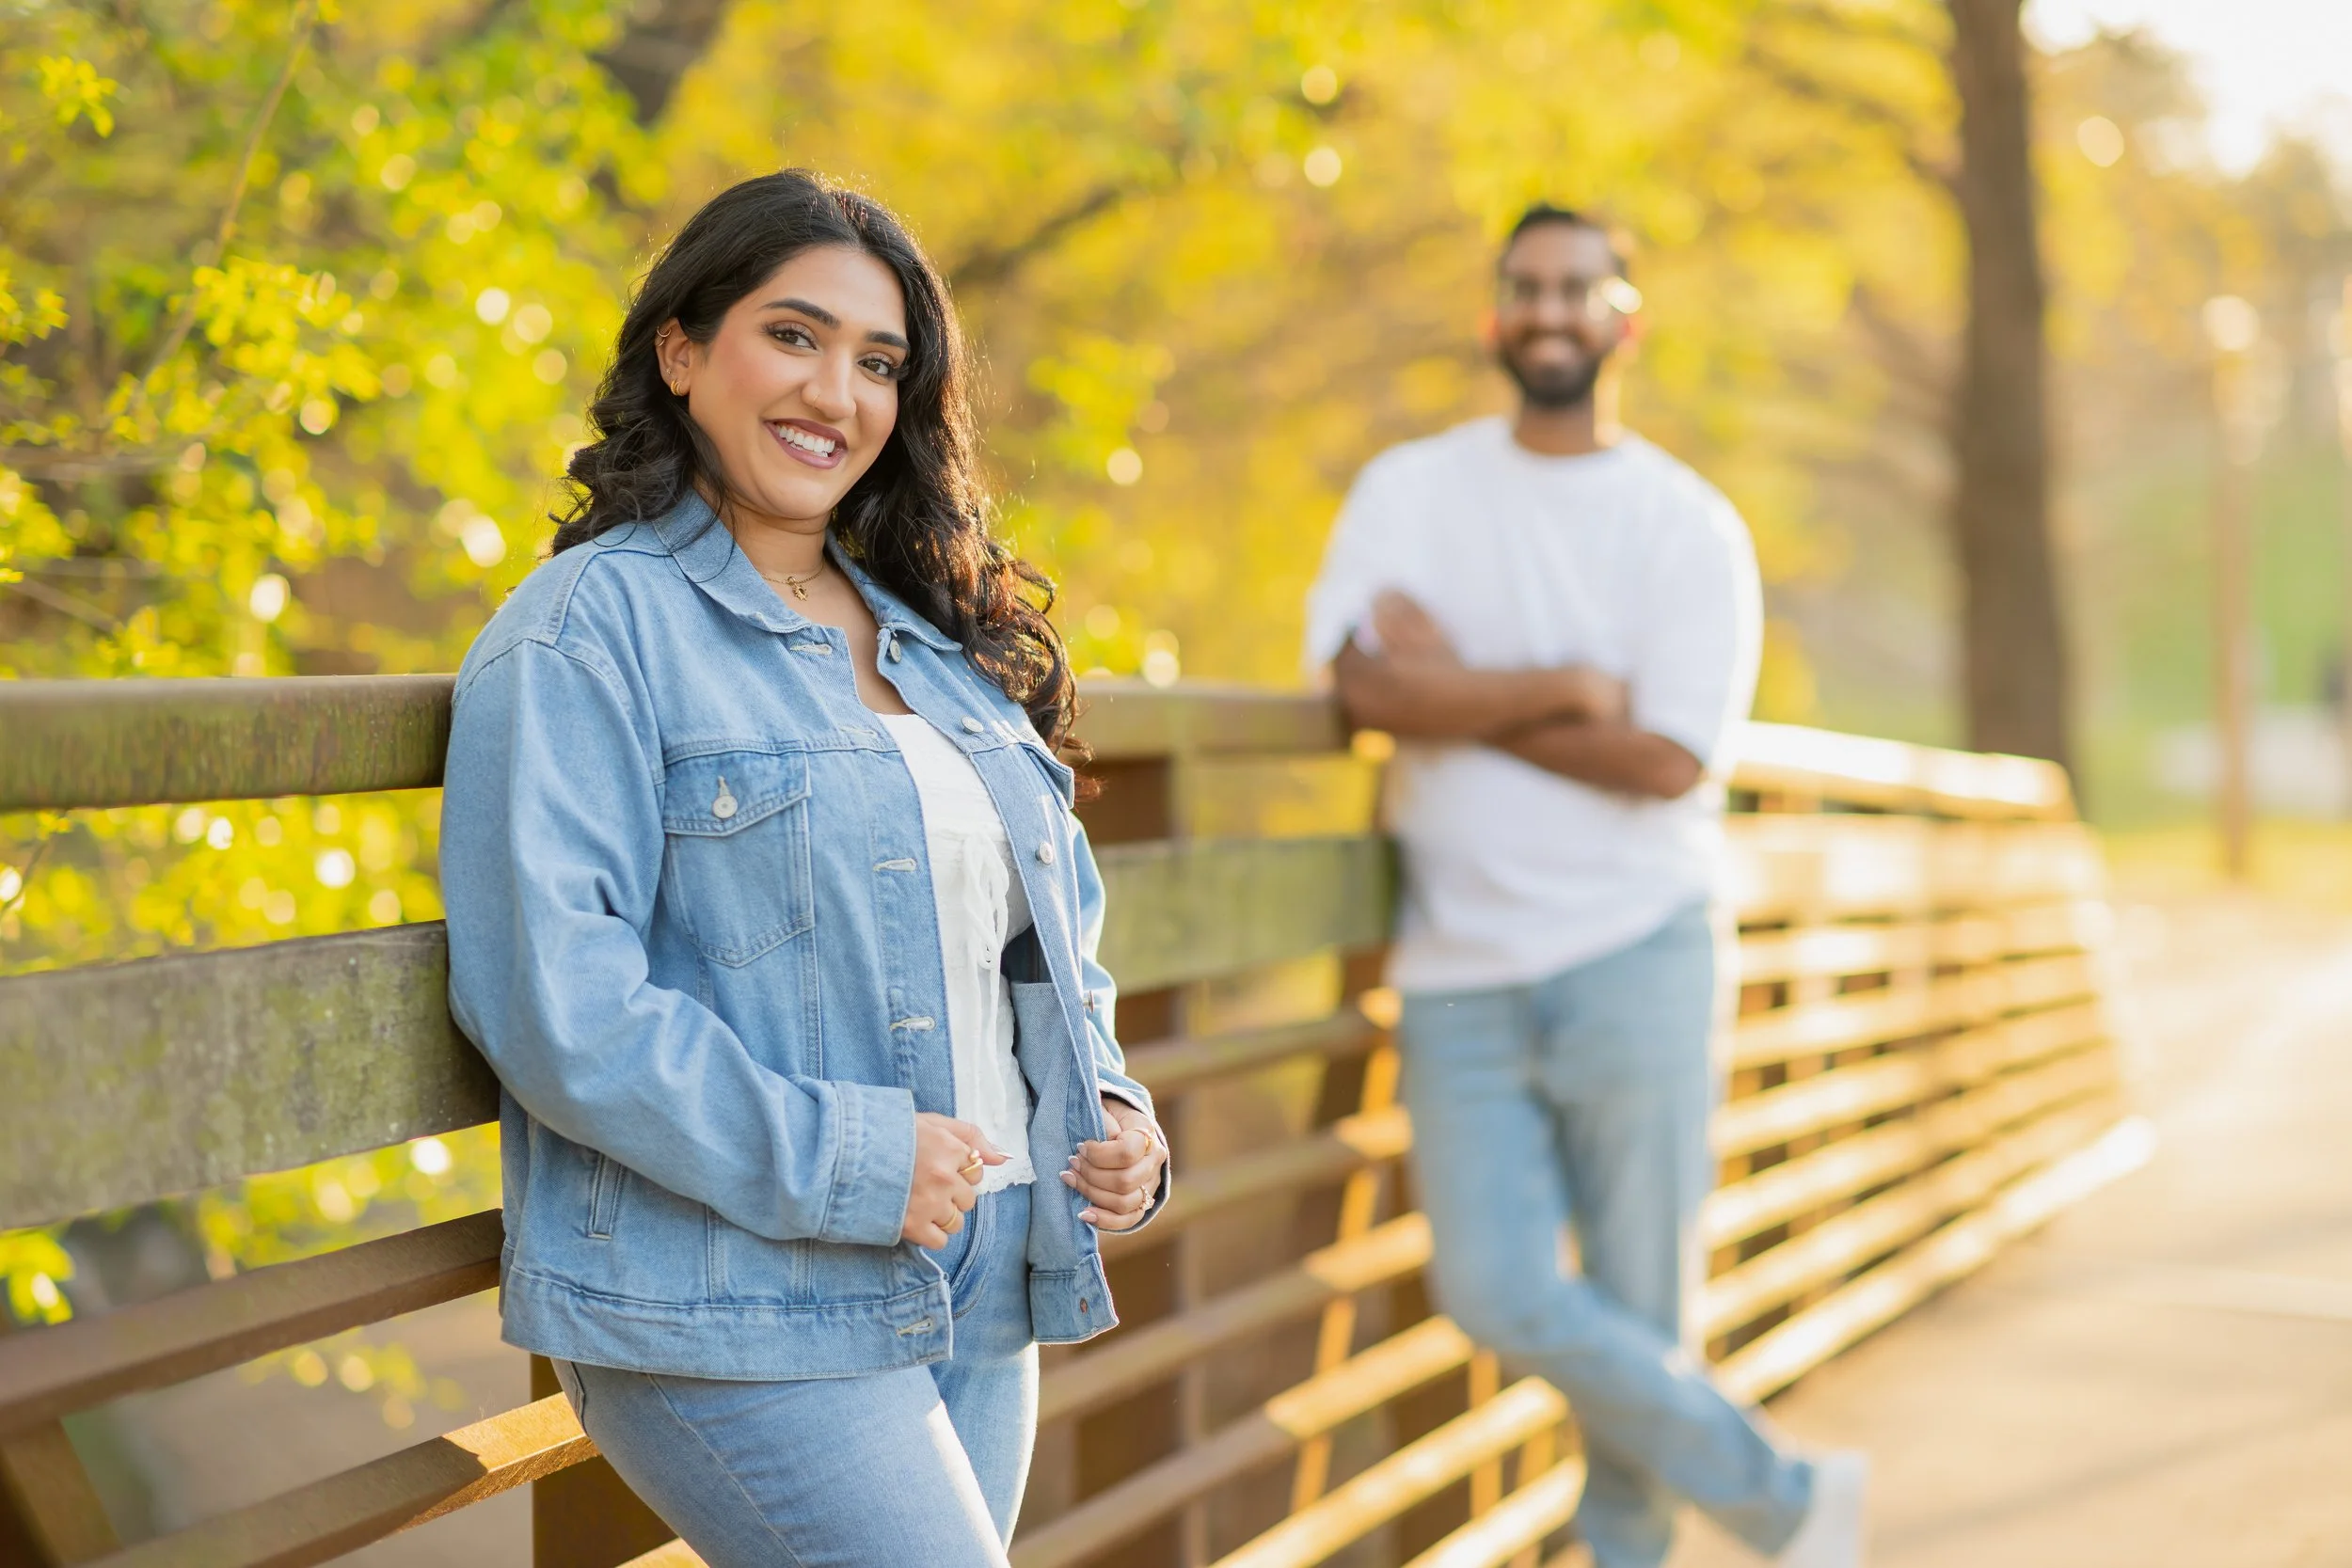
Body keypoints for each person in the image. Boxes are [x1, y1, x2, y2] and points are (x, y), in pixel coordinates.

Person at [440, 170, 1170, 1568]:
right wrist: (853, 1159)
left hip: (984, 1259)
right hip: (737, 1284)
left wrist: (1117, 1104)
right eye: (794, 335)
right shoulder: (587, 635)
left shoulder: (938, 644)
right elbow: (557, 1002)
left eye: (878, 362)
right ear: (681, 350)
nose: (835, 392)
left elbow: (1046, 928)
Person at [1302, 204, 1866, 1568]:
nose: (1547, 310)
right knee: (1494, 1289)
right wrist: (1559, 684)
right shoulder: (1411, 487)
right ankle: (1788, 1497)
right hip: (1458, 969)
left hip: (1639, 951)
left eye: (1575, 287)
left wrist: (1458, 690)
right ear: (1496, 316)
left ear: (1625, 316)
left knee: (1636, 1307)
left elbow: (1667, 757)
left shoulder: (1686, 524)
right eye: (1523, 288)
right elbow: (1361, 686)